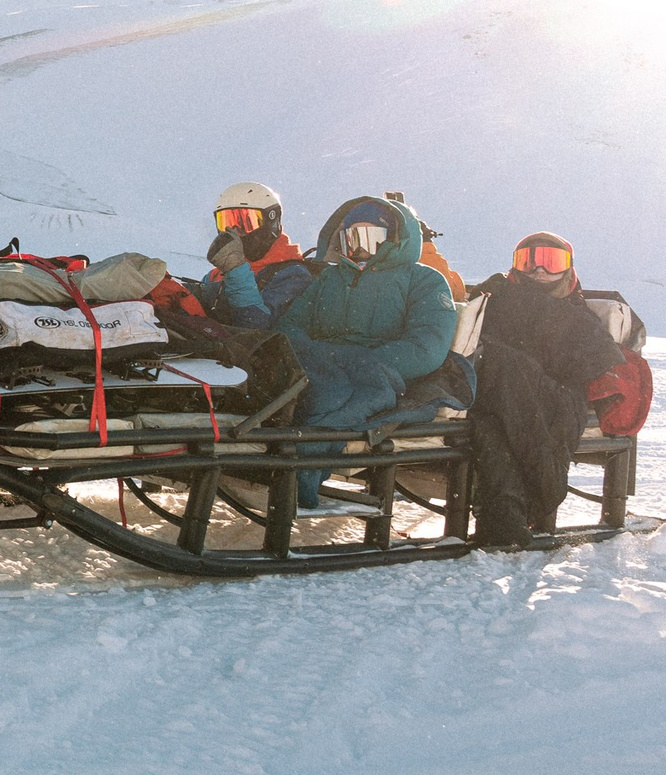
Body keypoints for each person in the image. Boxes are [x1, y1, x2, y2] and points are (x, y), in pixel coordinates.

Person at [275, 196, 458, 509]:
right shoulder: (330, 278)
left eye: (371, 239)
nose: (360, 248)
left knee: (332, 400)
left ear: (393, 240)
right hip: (322, 365)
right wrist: (312, 352)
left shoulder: (423, 280)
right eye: (351, 238)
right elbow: (290, 326)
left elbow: (427, 347)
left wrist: (368, 361)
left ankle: (294, 482)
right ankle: (261, 468)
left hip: (381, 375)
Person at [466, 233, 626, 547]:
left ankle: (519, 503)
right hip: (497, 395)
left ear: (568, 270)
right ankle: (507, 513)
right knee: (489, 423)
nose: (539, 270)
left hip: (554, 395)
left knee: (504, 368)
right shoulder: (498, 301)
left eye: (551, 262)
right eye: (529, 261)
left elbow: (596, 360)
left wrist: (534, 369)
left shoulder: (575, 314)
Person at [199, 181, 314, 331]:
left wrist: (236, 270)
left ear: (271, 220)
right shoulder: (215, 275)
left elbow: (256, 325)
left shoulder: (293, 275)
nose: (235, 231)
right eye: (226, 221)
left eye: (245, 221)